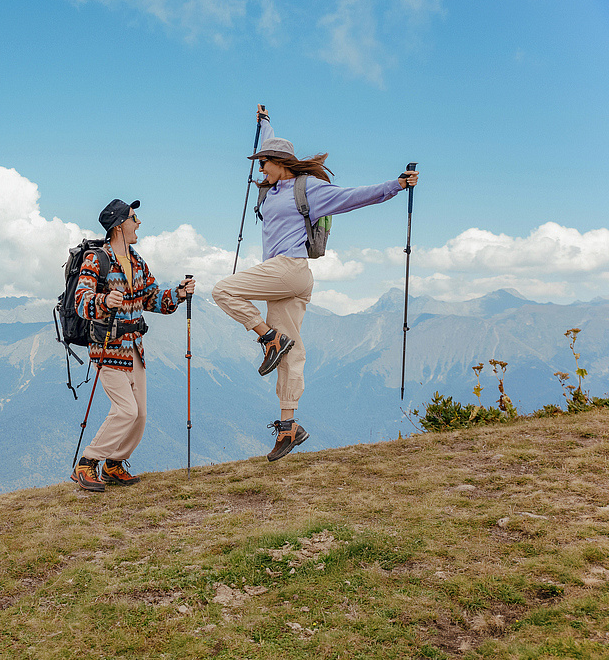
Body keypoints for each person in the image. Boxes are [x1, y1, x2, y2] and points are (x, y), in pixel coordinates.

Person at [212, 105, 419, 462]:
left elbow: (353, 197)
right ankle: (289, 426)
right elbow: (269, 143)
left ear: (280, 163)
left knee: (223, 290)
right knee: (292, 353)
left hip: (289, 268)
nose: (259, 168)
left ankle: (268, 336)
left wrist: (396, 185)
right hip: (289, 279)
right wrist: (264, 122)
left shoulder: (309, 189)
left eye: (263, 163)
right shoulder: (273, 186)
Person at [71, 198, 196, 492]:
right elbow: (80, 302)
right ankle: (87, 463)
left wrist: (178, 293)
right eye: (134, 218)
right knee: (126, 411)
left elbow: (153, 300)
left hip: (136, 349)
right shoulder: (96, 260)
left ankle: (115, 463)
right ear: (118, 226)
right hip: (107, 349)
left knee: (139, 415)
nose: (139, 223)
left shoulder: (137, 261)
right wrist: (104, 300)